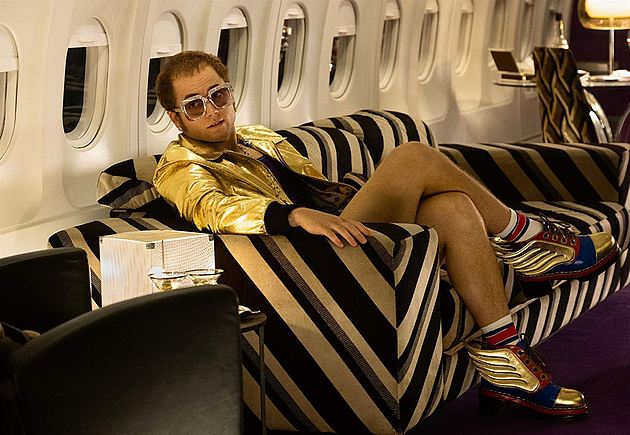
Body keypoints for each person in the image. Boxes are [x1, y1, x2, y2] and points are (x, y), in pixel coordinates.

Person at [153, 51, 619, 420]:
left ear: (231, 93)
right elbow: (213, 209)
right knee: (413, 156)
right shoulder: (178, 166)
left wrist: (339, 201)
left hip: (342, 227)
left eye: (218, 94)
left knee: (453, 206)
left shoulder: (260, 138)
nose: (212, 110)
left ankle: (507, 360)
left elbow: (319, 187)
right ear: (176, 118)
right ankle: (529, 238)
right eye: (194, 104)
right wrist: (293, 216)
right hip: (308, 259)